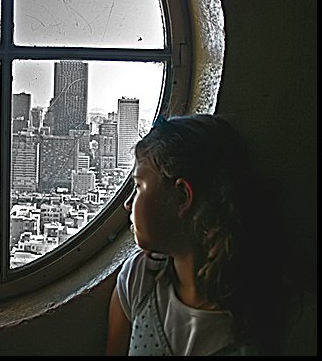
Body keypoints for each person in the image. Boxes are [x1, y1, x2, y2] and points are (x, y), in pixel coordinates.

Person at [106, 114, 291, 356]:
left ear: (182, 196)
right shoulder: (139, 278)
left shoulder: (261, 315)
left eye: (139, 186)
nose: (128, 204)